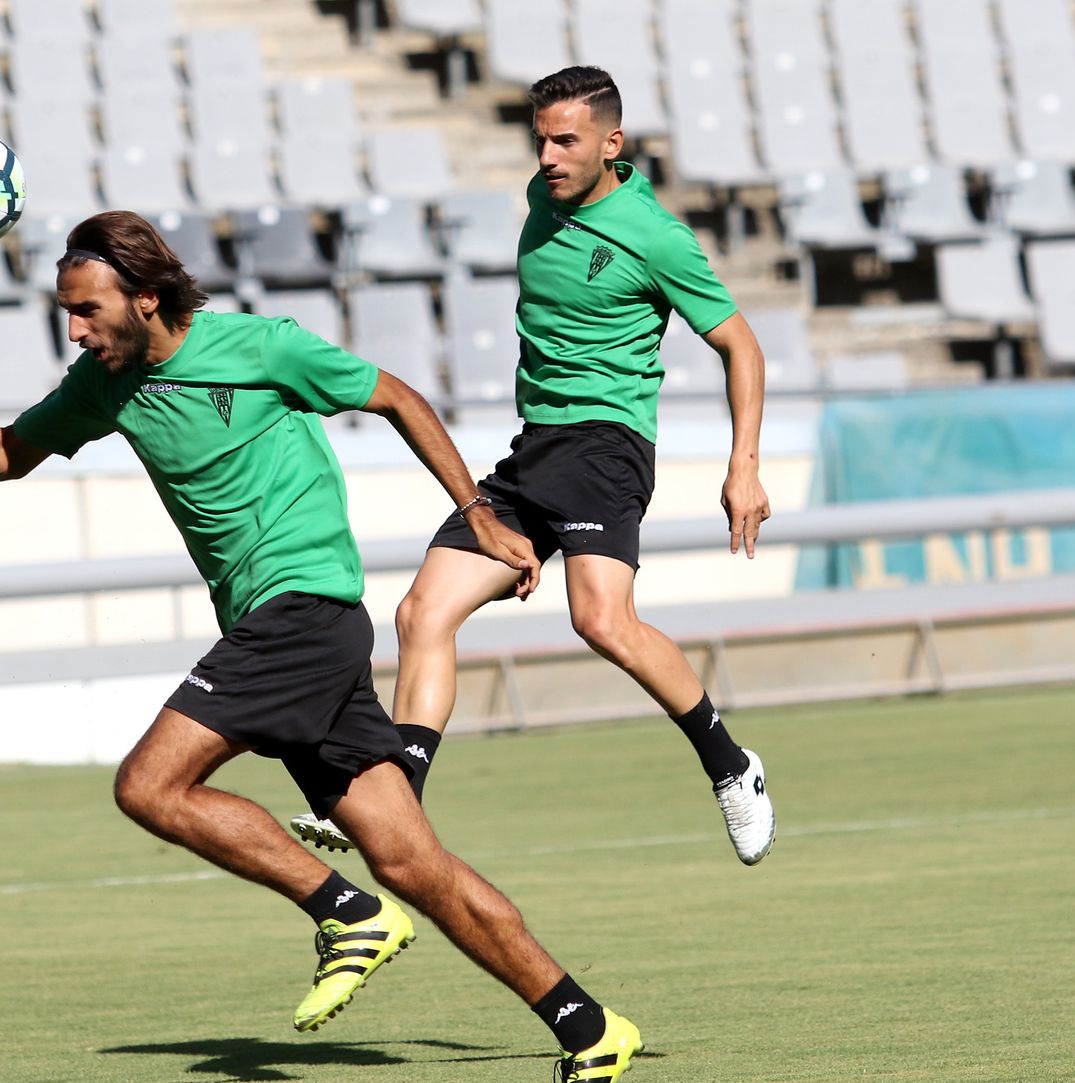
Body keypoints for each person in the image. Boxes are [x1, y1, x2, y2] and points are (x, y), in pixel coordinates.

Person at [0, 210, 644, 1083]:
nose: (76, 329)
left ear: (146, 298)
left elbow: (399, 397)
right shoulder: (103, 382)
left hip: (303, 611)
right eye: (68, 311)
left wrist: (477, 513)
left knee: (149, 785)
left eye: (88, 309)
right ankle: (590, 1026)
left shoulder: (264, 346)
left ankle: (344, 910)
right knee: (414, 863)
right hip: (289, 630)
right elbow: (15, 450)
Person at [291, 65, 777, 867]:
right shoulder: (542, 196)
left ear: (612, 144)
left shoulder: (655, 235)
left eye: (567, 141)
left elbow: (740, 343)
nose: (548, 157)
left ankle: (731, 765)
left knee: (601, 620)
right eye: (541, 141)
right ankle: (396, 802)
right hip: (535, 451)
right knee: (421, 612)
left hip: (607, 444)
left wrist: (744, 466)